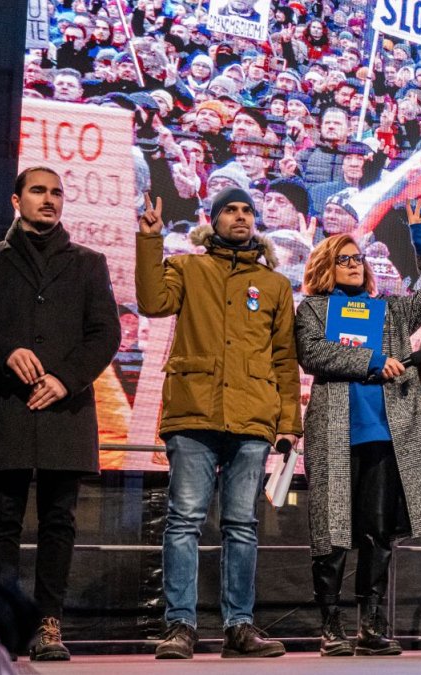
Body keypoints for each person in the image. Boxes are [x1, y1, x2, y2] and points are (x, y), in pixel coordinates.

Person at [136, 188, 301, 659]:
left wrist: (289, 421)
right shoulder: (189, 268)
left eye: (247, 210)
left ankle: (239, 627)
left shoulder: (273, 285)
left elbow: (286, 359)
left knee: (242, 525)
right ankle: (180, 626)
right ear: (213, 220)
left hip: (252, 418)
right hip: (194, 410)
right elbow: (152, 303)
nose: (241, 216)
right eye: (231, 209)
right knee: (184, 520)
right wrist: (149, 241)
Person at [294, 226, 421, 656]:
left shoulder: (389, 311)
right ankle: (331, 626)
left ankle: (371, 624)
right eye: (344, 258)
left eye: (357, 258)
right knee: (332, 530)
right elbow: (313, 354)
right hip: (335, 432)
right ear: (326, 265)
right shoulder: (312, 308)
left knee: (377, 532)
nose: (353, 265)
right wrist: (373, 361)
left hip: (387, 434)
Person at [0, 167, 120, 661]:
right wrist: (5, 351)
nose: (49, 200)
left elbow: (105, 333)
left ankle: (49, 623)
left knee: (59, 520)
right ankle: (1, 624)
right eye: (39, 191)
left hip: (65, 406)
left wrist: (66, 377)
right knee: (1, 520)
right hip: (5, 404)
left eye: (57, 193)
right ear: (15, 200)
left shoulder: (89, 262)